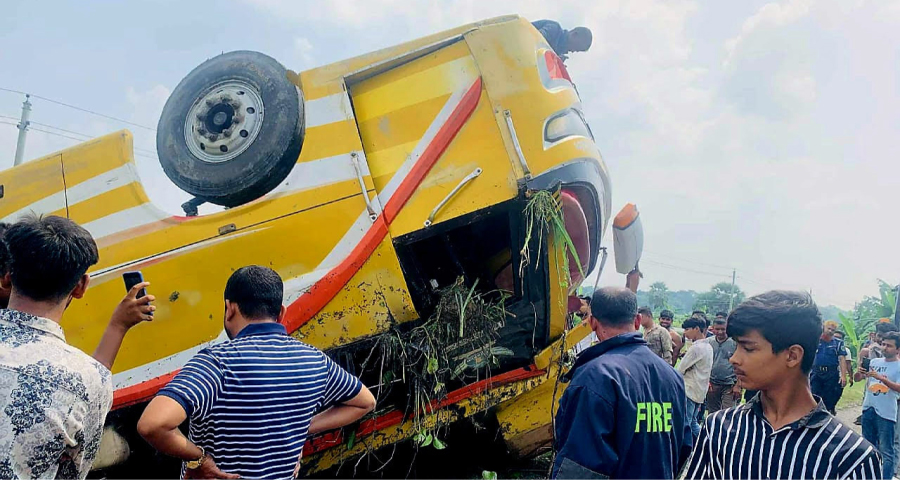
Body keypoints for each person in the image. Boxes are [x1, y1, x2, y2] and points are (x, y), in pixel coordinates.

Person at [138, 266, 376, 479]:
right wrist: (299, 428)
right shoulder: (314, 360)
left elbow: (153, 425)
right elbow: (364, 402)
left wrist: (199, 459)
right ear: (281, 313)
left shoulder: (217, 363)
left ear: (229, 309)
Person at [0, 214, 154, 479]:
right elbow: (73, 471)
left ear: (6, 278)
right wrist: (117, 326)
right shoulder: (87, 379)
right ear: (81, 286)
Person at [683, 291, 880, 479]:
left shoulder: (852, 457)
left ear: (792, 356)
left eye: (748, 348)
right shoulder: (719, 428)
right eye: (736, 346)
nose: (734, 358)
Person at [551, 287, 692, 479]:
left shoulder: (594, 377)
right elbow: (684, 447)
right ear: (637, 321)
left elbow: (579, 467)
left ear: (592, 322)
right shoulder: (672, 377)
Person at [856, 331, 900, 479]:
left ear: (898, 349)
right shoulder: (874, 362)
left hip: (886, 412)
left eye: (889, 345)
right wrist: (859, 372)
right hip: (869, 408)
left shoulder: (898, 366)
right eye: (883, 344)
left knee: (886, 450)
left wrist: (880, 378)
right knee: (867, 447)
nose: (884, 348)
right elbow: (858, 379)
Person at [676, 317, 713, 442]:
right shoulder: (708, 347)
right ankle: (706, 444)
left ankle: (703, 445)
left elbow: (680, 369)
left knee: (686, 423)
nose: (685, 333)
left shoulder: (696, 348)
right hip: (699, 391)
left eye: (687, 329)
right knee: (692, 422)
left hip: (689, 390)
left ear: (697, 329)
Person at [810, 320, 849, 414]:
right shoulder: (815, 340)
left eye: (833, 330)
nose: (830, 331)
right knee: (814, 395)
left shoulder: (838, 343)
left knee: (829, 396)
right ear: (824, 327)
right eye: (829, 328)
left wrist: (843, 376)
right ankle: (814, 416)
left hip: (831, 373)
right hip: (816, 372)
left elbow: (842, 358)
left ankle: (828, 414)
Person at [704, 318, 742, 413]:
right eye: (717, 329)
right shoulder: (708, 342)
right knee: (712, 413)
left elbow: (741, 364)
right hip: (712, 384)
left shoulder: (735, 343)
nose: (720, 332)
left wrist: (738, 385)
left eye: (723, 329)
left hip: (729, 385)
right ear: (712, 329)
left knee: (728, 413)